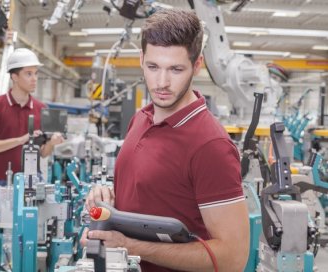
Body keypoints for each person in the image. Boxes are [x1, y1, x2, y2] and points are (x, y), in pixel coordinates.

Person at [82, 8, 250, 272]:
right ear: (141, 59)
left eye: (175, 69)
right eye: (153, 67)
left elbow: (232, 259)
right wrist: (107, 200)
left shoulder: (210, 145)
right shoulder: (141, 118)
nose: (161, 82)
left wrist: (130, 246)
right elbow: (150, 194)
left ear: (197, 65)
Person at [0, 48, 64, 185]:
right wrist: (20, 140)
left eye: (36, 74)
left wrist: (51, 143)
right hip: (2, 182)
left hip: (33, 181)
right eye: (28, 74)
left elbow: (43, 153)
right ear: (15, 77)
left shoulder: (41, 109)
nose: (34, 79)